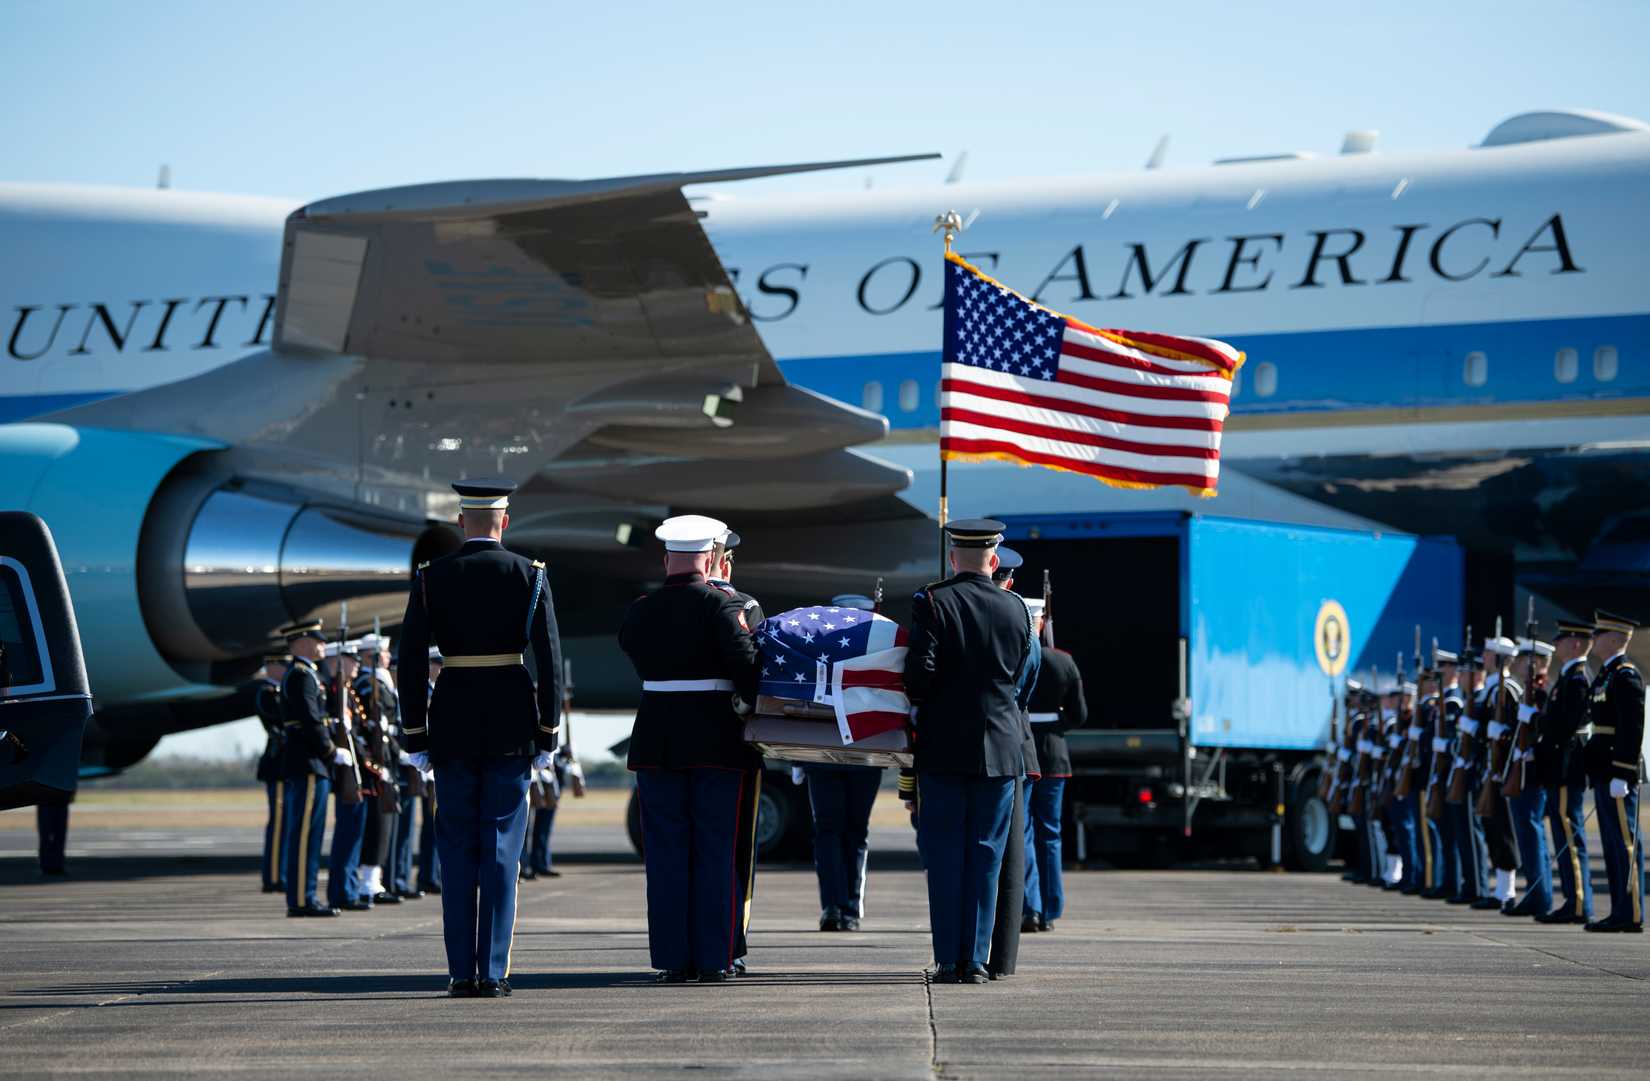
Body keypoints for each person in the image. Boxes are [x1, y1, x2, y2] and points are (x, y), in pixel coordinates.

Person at [398, 478, 563, 997]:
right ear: (504, 522)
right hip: (512, 722)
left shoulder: (432, 575)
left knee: (457, 849)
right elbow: (550, 661)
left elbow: (407, 661)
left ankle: (458, 972)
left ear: (460, 522)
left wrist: (414, 733)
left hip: (451, 720)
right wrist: (547, 731)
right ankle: (491, 972)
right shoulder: (529, 574)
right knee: (499, 850)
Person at [619, 514, 761, 984]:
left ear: (666, 560)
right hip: (716, 741)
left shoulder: (641, 609)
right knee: (715, 851)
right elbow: (747, 669)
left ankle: (674, 959)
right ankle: (715, 957)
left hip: (657, 741)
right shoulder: (723, 606)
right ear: (714, 558)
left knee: (665, 855)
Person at [906, 519, 1039, 986]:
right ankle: (976, 960)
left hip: (944, 747)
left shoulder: (933, 602)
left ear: (952, 558)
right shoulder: (1019, 611)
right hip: (1002, 748)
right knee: (987, 855)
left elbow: (918, 680)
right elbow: (1022, 680)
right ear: (994, 559)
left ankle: (947, 958)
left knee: (945, 855)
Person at [806, 592, 884, 933]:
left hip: (833, 752)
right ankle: (843, 908)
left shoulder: (817, 651)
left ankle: (837, 908)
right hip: (856, 752)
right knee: (849, 832)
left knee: (834, 831)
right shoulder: (878, 652)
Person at [707, 528, 764, 972]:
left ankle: (679, 950)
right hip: (732, 742)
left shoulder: (657, 606)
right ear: (725, 563)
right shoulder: (742, 606)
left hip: (666, 743)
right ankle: (727, 947)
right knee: (732, 852)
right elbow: (754, 673)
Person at [985, 546, 1039, 979]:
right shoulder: (1022, 622)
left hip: (965, 746)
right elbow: (1026, 684)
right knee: (1010, 854)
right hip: (1012, 745)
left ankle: (964, 951)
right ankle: (1001, 957)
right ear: (1010, 580)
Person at [1020, 597, 1086, 932]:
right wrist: (1056, 724)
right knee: (1051, 833)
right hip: (1055, 754)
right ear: (1042, 622)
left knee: (1026, 831)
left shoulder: (1016, 658)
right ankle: (1050, 908)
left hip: (1023, 749)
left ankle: (1029, 906)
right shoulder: (1064, 662)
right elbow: (1079, 714)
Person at [1583, 610, 1644, 933]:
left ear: (1614, 639)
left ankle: (1632, 913)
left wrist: (1623, 771)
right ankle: (1620, 909)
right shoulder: (1607, 675)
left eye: (1597, 635)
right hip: (1604, 769)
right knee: (1611, 844)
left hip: (1617, 770)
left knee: (1625, 843)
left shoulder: (1625, 675)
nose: (1592, 640)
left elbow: (1632, 728)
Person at [280, 620, 344, 918]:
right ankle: (302, 900)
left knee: (311, 832)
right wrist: (329, 751)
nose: (322, 645)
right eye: (317, 640)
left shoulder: (309, 675)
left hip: (311, 761)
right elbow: (310, 719)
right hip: (308, 760)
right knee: (305, 833)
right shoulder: (302, 675)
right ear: (302, 641)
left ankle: (305, 896)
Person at [1535, 619, 1594, 924]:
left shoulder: (1578, 679)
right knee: (1563, 836)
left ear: (1574, 644)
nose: (1555, 644)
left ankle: (1579, 903)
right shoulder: (1568, 676)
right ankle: (1573, 900)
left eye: (1561, 640)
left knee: (1570, 838)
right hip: (1558, 768)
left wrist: (1539, 718)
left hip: (1566, 768)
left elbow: (1565, 725)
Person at [1504, 638, 1553, 917]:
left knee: (1533, 834)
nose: (1521, 666)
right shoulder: (1527, 692)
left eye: (1525, 661)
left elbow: (1548, 729)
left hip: (1533, 774)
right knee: (1525, 834)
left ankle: (1542, 896)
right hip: (1521, 771)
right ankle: (1534, 893)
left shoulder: (1543, 693)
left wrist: (1533, 723)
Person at [1473, 635, 1522, 912]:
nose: (1484, 657)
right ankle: (1500, 889)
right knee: (1492, 827)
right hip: (1489, 768)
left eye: (1490, 653)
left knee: (1503, 828)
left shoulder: (1509, 689)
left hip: (1502, 769)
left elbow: (1517, 730)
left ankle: (1508, 890)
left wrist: (1500, 735)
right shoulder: (1490, 689)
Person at [324, 641, 371, 913]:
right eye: (350, 659)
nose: (356, 664)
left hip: (357, 768)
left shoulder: (347, 691)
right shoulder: (333, 691)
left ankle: (349, 888)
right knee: (347, 833)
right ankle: (341, 890)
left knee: (355, 832)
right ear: (337, 662)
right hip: (344, 772)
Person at [1445, 653, 1490, 905]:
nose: (1460, 677)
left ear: (1477, 674)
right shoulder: (1468, 700)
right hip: (1463, 771)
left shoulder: (1482, 699)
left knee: (1473, 833)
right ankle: (1470, 884)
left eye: (1465, 672)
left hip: (1473, 773)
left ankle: (1479, 886)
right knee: (1464, 832)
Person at [1422, 650, 1465, 901]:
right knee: (1444, 832)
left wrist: (1444, 746)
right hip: (1441, 773)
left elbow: (1454, 738)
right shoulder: (1442, 701)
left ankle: (1454, 882)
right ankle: (1446, 881)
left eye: (1443, 667)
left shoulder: (1454, 701)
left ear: (1452, 671)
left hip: (1450, 773)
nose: (1438, 672)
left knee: (1452, 833)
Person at [254, 653, 288, 894]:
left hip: (286, 762)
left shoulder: (282, 690)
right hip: (277, 763)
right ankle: (274, 876)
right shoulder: (267, 692)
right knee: (278, 823)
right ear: (271, 666)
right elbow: (279, 721)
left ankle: (282, 872)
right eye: (283, 664)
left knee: (287, 822)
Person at [416, 647, 443, 896]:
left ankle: (432, 873)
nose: (442, 669)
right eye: (438, 664)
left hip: (436, 767)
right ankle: (427, 874)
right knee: (431, 825)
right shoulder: (425, 692)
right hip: (428, 767)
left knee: (437, 824)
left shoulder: (437, 691)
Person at [36, 791, 70, 876]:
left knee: (58, 835)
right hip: (47, 800)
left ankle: (56, 865)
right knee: (47, 836)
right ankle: (48, 865)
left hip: (58, 799)